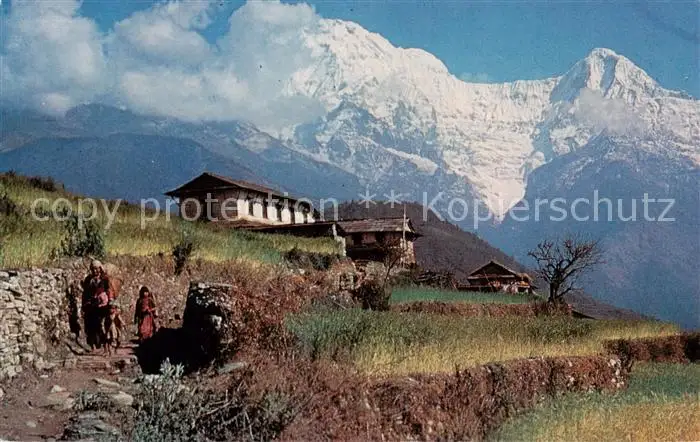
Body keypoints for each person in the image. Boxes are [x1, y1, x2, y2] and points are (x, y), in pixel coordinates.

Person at [81, 259, 111, 351]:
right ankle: (93, 344)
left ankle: (103, 343)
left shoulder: (104, 279)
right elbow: (85, 292)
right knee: (91, 325)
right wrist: (85, 303)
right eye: (93, 269)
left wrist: (108, 299)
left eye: (97, 269)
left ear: (100, 269)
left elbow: (108, 290)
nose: (95, 271)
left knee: (102, 324)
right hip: (92, 305)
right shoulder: (88, 279)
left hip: (102, 305)